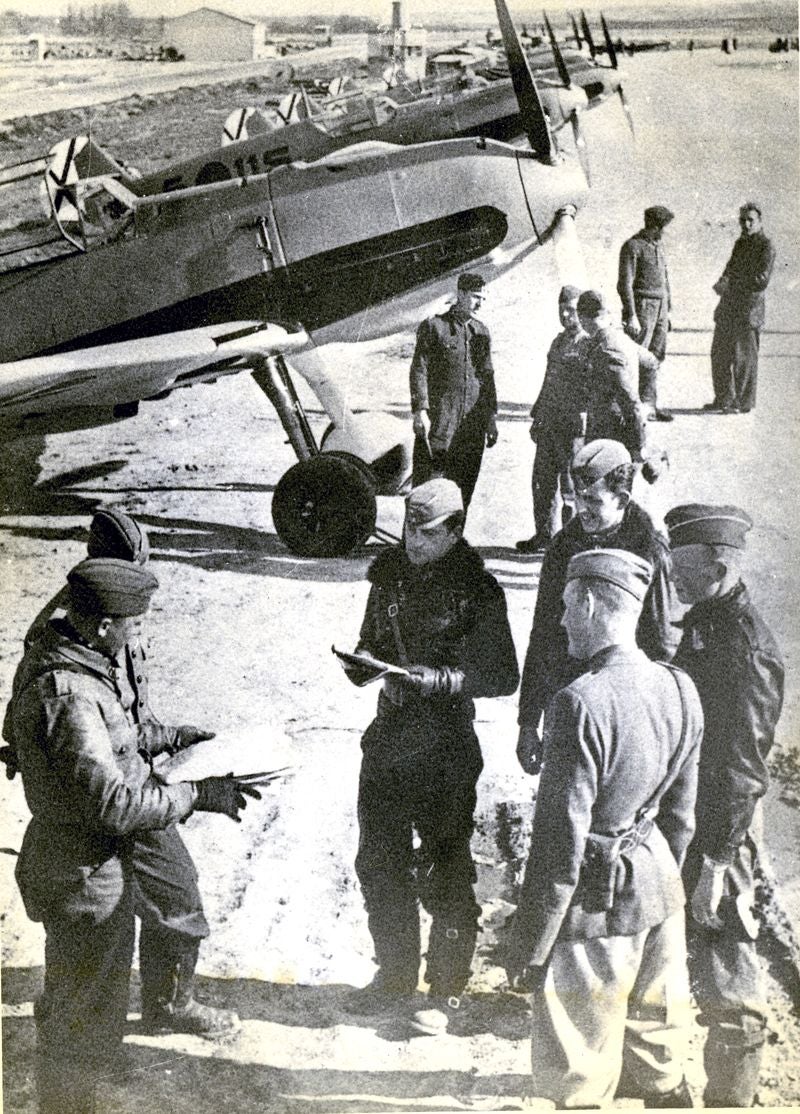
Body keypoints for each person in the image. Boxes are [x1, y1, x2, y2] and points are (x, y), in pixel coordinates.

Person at [4, 558, 260, 1113]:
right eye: (135, 624)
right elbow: (113, 803)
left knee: (87, 1015)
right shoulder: (69, 691)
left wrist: (170, 737)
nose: (138, 633)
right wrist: (196, 794)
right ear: (103, 626)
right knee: (82, 1025)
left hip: (91, 867)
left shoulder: (80, 660)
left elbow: (114, 737)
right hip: (85, 876)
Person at [505, 548, 702, 1109]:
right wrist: (664, 886)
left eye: (567, 607)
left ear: (590, 603)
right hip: (660, 891)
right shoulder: (681, 687)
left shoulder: (578, 703)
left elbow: (559, 843)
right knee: (658, 1056)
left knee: (578, 1071)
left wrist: (533, 942)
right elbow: (681, 817)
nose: (562, 620)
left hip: (595, 904)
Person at [342, 478, 519, 1034]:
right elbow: (371, 637)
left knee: (445, 867)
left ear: (455, 529)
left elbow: (501, 675)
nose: (412, 540)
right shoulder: (389, 574)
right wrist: (363, 662)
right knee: (379, 862)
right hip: (390, 738)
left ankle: (446, 991)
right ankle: (394, 977)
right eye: (407, 528)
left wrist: (439, 679)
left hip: (445, 747)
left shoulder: (479, 589)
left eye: (426, 532)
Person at [665, 504, 784, 1107]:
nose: (671, 574)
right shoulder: (707, 619)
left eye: (680, 565)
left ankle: (732, 1100)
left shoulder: (747, 648)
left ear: (715, 563)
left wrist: (715, 862)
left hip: (723, 831)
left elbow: (742, 771)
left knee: (727, 964)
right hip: (694, 819)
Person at [517, 439, 677, 775]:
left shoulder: (650, 550)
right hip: (570, 700)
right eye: (576, 499)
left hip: (625, 710)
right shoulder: (564, 546)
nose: (580, 510)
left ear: (622, 499)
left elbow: (661, 646)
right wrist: (528, 721)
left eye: (593, 500)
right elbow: (544, 631)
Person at [410, 272, 499, 510]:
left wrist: (491, 419)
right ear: (460, 294)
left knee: (464, 488)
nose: (480, 303)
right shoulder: (434, 327)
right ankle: (416, 543)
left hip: (472, 426)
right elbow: (419, 369)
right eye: (475, 297)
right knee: (429, 487)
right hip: (441, 423)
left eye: (483, 298)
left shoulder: (481, 332)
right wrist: (420, 411)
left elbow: (487, 378)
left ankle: (454, 539)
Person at [516, 285, 589, 554]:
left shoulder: (587, 344)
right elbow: (548, 382)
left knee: (571, 487)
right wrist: (537, 415)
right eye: (562, 310)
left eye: (571, 310)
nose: (566, 316)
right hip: (550, 423)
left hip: (572, 428)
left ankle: (572, 543)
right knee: (542, 482)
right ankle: (544, 535)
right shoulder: (558, 342)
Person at [707, 203, 775, 413]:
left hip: (748, 311)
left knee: (744, 359)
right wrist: (722, 281)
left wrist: (732, 284)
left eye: (750, 220)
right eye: (742, 220)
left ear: (759, 222)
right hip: (728, 308)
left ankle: (742, 403)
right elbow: (729, 268)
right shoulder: (740, 244)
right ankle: (724, 399)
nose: (746, 224)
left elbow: (761, 280)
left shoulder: (766, 245)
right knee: (719, 353)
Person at [576, 289, 655, 458]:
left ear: (582, 319)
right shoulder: (621, 339)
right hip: (615, 428)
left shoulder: (606, 349)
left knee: (606, 482)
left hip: (610, 432)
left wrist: (639, 442)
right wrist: (648, 402)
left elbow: (629, 398)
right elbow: (651, 363)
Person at [617, 205, 675, 422]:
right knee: (637, 355)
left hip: (660, 308)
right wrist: (631, 314)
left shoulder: (658, 247)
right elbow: (625, 283)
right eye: (663, 227)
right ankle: (632, 408)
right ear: (655, 226)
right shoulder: (633, 247)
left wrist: (667, 312)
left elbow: (665, 282)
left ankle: (649, 405)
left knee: (655, 356)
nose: (665, 232)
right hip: (643, 307)